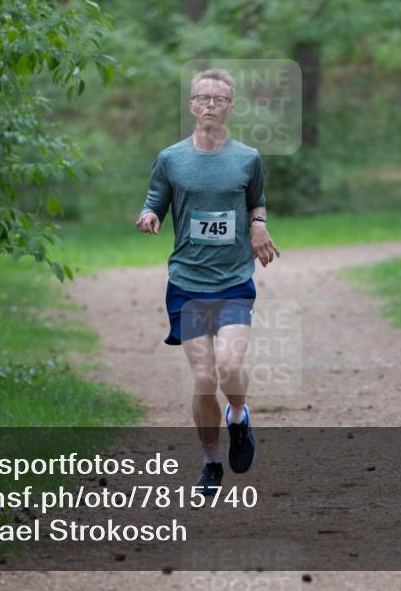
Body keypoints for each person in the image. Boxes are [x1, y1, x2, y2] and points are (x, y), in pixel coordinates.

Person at [135, 68, 280, 495]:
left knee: (230, 367)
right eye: (203, 98)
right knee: (203, 379)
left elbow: (257, 202)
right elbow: (155, 201)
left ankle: (239, 417)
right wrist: (149, 215)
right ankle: (211, 461)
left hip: (234, 280)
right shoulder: (171, 158)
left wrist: (258, 225)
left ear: (230, 108)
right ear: (192, 106)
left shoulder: (248, 158)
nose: (210, 105)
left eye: (219, 99)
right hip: (188, 283)